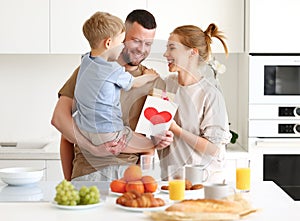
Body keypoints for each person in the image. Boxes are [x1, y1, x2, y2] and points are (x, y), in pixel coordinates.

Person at [51, 9, 173, 181]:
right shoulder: (88, 72)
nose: (141, 49)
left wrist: (141, 180)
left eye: (148, 44)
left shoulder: (154, 83)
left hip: (128, 177)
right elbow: (62, 126)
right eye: (136, 41)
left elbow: (149, 147)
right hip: (86, 172)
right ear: (121, 37)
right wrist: (69, 181)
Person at [73, 12, 158, 154]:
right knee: (149, 144)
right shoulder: (112, 69)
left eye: (148, 43)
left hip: (84, 128)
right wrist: (149, 76)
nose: (141, 49)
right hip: (107, 131)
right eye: (122, 41)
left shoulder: (86, 62)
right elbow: (134, 83)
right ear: (108, 43)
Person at [158, 24, 232, 182]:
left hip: (203, 184)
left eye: (172, 48)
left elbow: (213, 149)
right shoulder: (166, 85)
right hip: (172, 181)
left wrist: (176, 129)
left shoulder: (210, 94)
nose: (166, 54)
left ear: (192, 52)